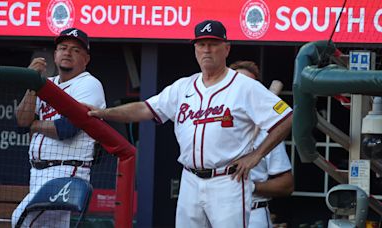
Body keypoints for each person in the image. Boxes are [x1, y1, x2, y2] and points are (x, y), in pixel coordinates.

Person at [88, 19, 293, 228]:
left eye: (213, 44)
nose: (207, 50)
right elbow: (144, 108)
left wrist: (256, 156)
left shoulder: (245, 86)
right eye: (201, 44)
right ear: (195, 49)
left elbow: (287, 118)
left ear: (226, 48)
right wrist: (106, 113)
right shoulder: (183, 86)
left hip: (227, 180)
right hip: (190, 179)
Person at [12, 28, 106, 227]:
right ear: (55, 55)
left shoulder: (89, 84)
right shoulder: (46, 84)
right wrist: (32, 82)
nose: (67, 53)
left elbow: (67, 129)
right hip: (37, 171)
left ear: (86, 59)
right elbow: (21, 122)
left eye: (75, 50)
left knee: (20, 219)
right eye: (63, 48)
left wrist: (33, 125)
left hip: (67, 170)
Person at [230, 60, 294, 228]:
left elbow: (286, 185)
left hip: (253, 213)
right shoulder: (209, 129)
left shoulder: (267, 135)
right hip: (214, 213)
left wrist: (251, 186)